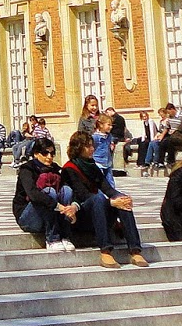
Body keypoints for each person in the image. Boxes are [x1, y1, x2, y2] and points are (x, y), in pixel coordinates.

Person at [61, 131, 149, 268]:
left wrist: (122, 198)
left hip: (98, 209)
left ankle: (135, 250)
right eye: (88, 146)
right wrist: (110, 202)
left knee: (121, 201)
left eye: (92, 146)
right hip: (80, 213)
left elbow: (108, 189)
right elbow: (83, 195)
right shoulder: (69, 169)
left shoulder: (92, 166)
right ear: (78, 148)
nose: (92, 149)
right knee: (98, 199)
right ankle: (105, 251)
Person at [12, 137, 79, 251]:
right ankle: (52, 239)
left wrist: (73, 207)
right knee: (50, 192)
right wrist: (57, 206)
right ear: (36, 154)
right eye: (45, 153)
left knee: (67, 190)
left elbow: (73, 188)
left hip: (53, 215)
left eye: (52, 153)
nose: (49, 157)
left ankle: (65, 236)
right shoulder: (27, 169)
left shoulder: (55, 169)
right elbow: (33, 194)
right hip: (28, 218)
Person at [90, 114, 119, 191]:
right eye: (108, 125)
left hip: (107, 162)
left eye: (111, 125)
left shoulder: (109, 135)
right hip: (98, 162)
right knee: (100, 180)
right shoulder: (95, 137)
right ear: (101, 125)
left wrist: (112, 144)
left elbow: (111, 141)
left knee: (110, 180)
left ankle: (112, 194)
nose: (111, 127)